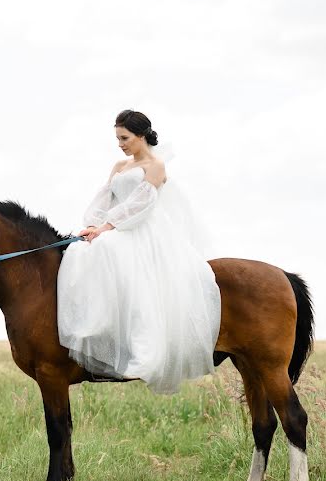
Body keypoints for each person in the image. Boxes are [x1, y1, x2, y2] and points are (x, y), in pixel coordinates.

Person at [57, 110, 222, 394]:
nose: (120, 144)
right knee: (78, 252)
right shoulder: (120, 165)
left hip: (142, 228)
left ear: (141, 135)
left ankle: (143, 349)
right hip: (114, 226)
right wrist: (92, 225)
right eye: (117, 138)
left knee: (110, 251)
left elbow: (141, 203)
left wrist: (107, 227)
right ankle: (94, 327)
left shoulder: (156, 165)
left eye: (125, 138)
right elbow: (104, 198)